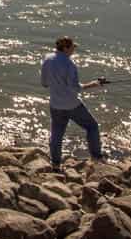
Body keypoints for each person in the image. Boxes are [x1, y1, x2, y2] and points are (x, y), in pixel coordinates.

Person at [41, 36, 108, 167]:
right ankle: (96, 157)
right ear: (65, 48)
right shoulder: (70, 65)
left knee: (57, 135)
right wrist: (95, 84)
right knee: (92, 126)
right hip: (72, 105)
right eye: (72, 48)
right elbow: (76, 89)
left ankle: (55, 164)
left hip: (55, 105)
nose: (73, 50)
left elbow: (44, 83)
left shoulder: (47, 59)